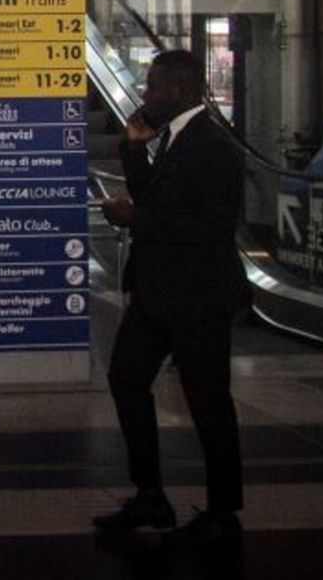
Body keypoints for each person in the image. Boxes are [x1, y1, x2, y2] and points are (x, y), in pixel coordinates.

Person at [98, 49, 247, 548]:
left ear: (181, 90)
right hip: (159, 294)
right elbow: (155, 199)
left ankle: (224, 510)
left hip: (199, 295)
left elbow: (211, 228)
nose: (146, 94)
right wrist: (131, 151)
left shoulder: (212, 145)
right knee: (125, 378)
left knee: (208, 401)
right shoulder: (173, 139)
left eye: (154, 87)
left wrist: (135, 220)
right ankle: (149, 494)